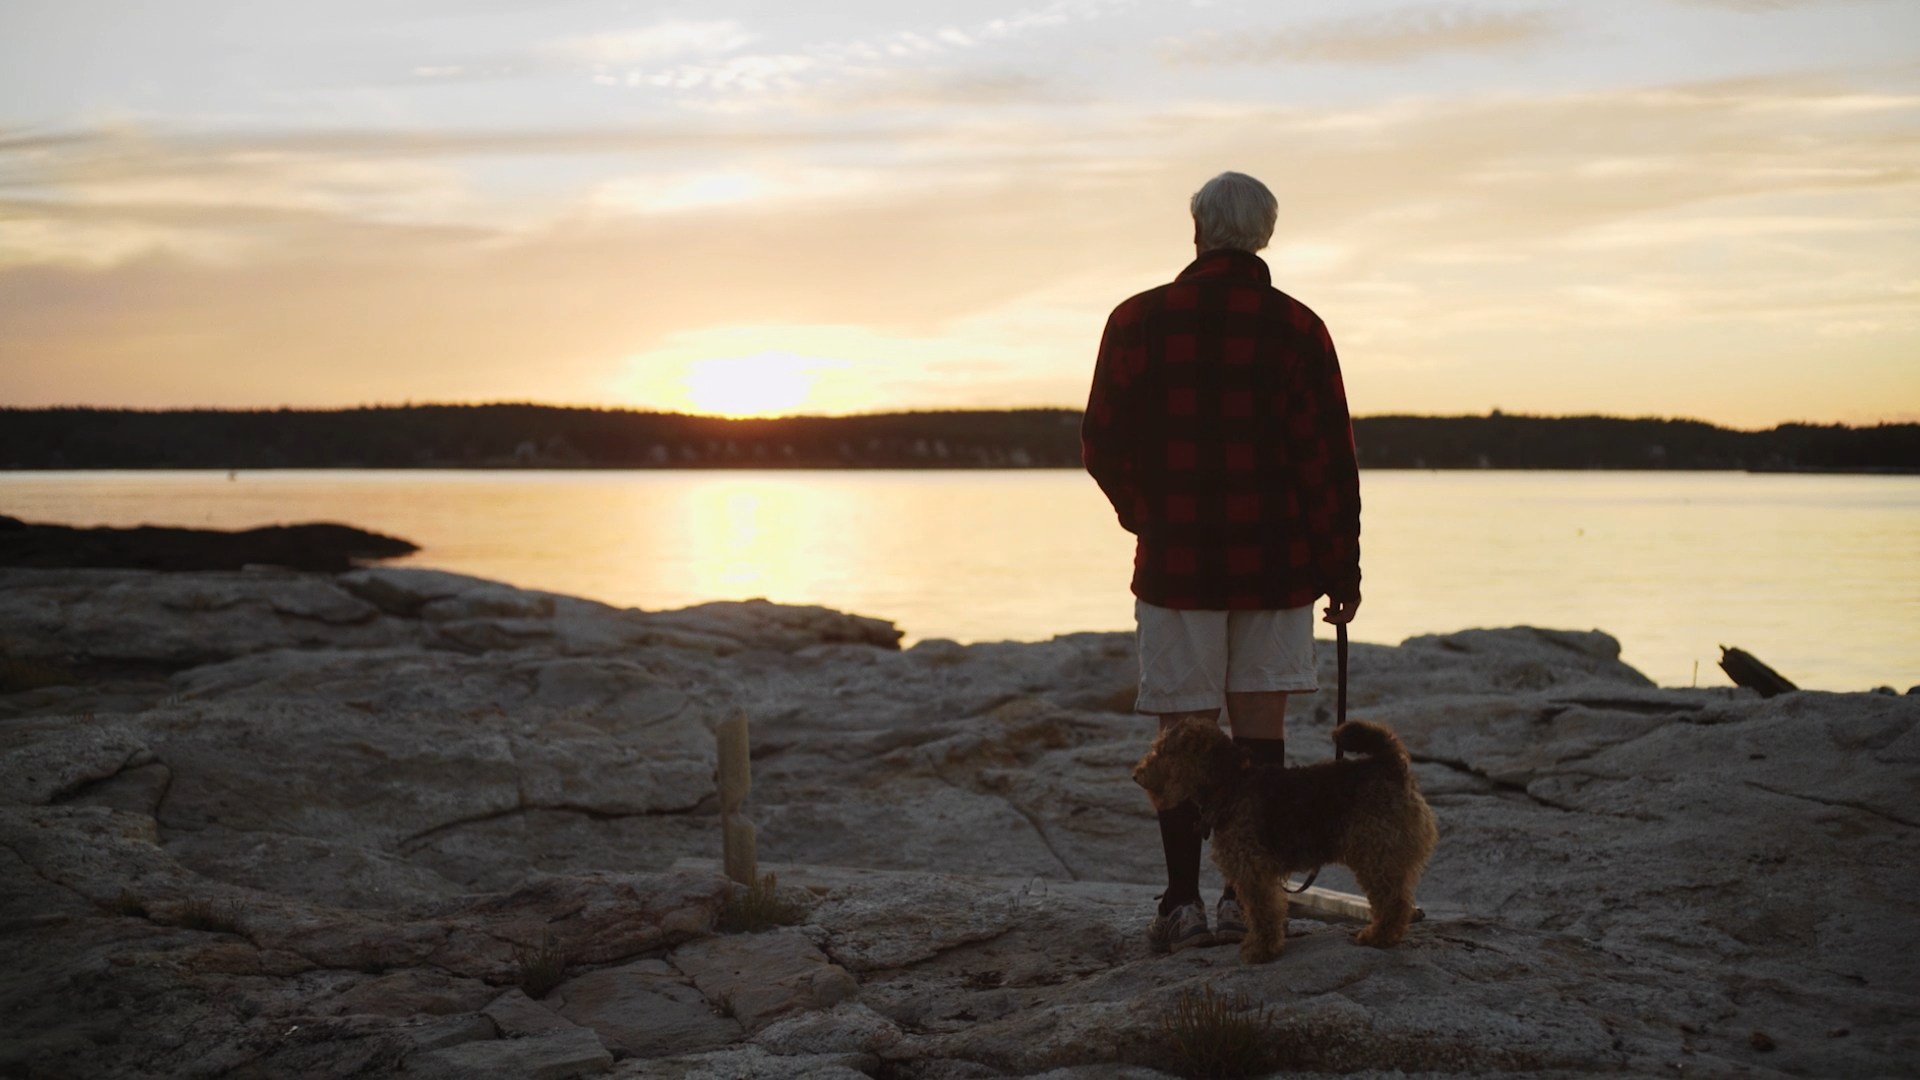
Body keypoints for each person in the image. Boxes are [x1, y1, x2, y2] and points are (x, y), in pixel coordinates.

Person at [1081, 171, 1362, 953]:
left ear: (1198, 229)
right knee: (1260, 735)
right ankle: (1248, 897)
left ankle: (1182, 903)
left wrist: (1148, 512)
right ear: (1264, 235)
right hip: (1277, 563)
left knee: (1183, 734)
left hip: (1178, 565)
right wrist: (1342, 569)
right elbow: (1329, 463)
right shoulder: (1300, 330)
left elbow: (1101, 440)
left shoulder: (1137, 321)